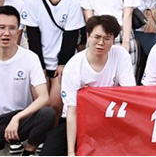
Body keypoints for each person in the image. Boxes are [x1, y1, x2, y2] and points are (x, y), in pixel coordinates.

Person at [0, 6, 55, 157]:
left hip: (21, 118)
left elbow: (44, 97)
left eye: (12, 28)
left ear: (18, 32)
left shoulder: (30, 57)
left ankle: (28, 151)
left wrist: (17, 118)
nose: (6, 33)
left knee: (47, 113)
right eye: (1, 28)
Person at [52, 15, 135, 156]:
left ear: (113, 40)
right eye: (97, 37)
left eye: (107, 38)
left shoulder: (121, 55)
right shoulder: (74, 66)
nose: (101, 43)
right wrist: (71, 152)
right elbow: (72, 111)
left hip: (110, 118)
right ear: (88, 36)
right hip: (79, 120)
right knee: (50, 151)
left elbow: (129, 94)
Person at [22, 0, 85, 119]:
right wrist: (40, 66)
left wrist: (62, 63)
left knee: (55, 104)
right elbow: (33, 36)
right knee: (42, 105)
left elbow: (71, 34)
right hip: (41, 60)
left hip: (62, 61)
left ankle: (53, 133)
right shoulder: (33, 0)